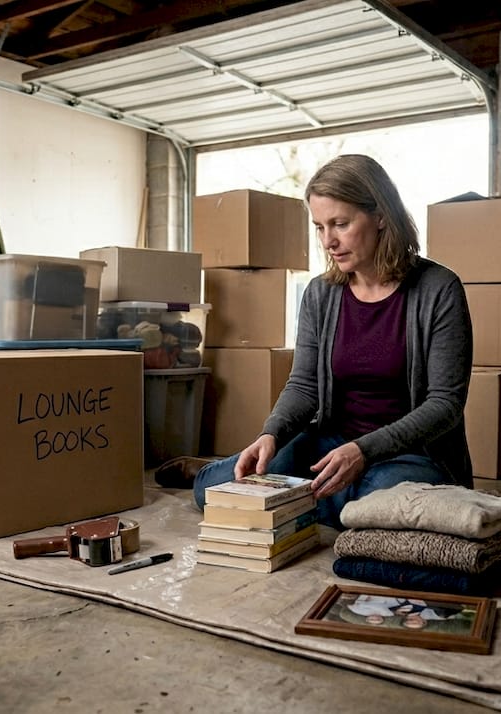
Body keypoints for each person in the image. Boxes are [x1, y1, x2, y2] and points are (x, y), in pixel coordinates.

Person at [192, 154, 475, 529]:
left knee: (376, 500)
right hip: (331, 443)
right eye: (320, 227)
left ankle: (305, 500)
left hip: (409, 454)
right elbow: (304, 384)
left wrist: (363, 451)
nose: (329, 241)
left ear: (380, 217)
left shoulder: (439, 289)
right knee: (210, 489)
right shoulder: (320, 293)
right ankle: (330, 501)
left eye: (340, 224)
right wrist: (271, 434)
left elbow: (445, 404)